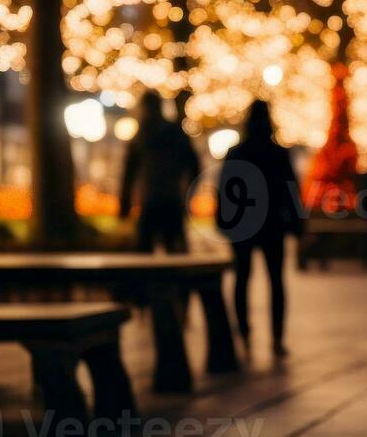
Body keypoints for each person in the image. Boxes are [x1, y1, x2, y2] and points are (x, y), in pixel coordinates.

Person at [217, 100, 299, 357]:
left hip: (243, 223)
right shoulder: (278, 154)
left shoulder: (236, 153)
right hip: (273, 223)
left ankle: (243, 330)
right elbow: (291, 190)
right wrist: (298, 224)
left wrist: (224, 219)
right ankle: (277, 338)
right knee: (276, 280)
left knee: (242, 278)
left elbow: (225, 189)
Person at [119, 92, 200, 253]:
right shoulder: (175, 133)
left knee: (144, 253)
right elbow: (193, 164)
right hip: (171, 199)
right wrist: (188, 193)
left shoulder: (141, 135)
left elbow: (129, 172)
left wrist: (124, 204)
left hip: (151, 200)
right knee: (176, 255)